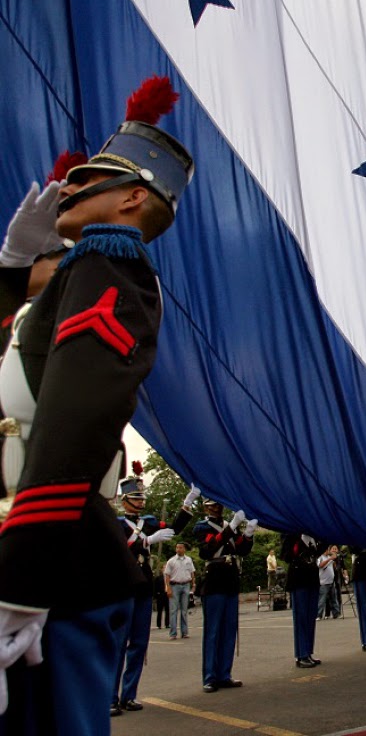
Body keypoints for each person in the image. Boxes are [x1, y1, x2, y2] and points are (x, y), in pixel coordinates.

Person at [0, 78, 193, 735]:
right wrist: (10, 267)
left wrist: (22, 579)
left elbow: (78, 413)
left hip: (54, 566)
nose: (66, 188)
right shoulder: (76, 276)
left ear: (132, 196)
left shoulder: (108, 264)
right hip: (45, 560)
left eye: (85, 179)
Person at [111, 468, 199, 716]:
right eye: (136, 498)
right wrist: (147, 541)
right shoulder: (117, 522)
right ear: (124, 499)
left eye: (142, 498)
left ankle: (129, 694)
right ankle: (110, 697)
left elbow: (172, 529)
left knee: (139, 642)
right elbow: (120, 545)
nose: (140, 502)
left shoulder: (147, 521)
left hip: (142, 582)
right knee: (119, 643)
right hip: (122, 583)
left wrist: (186, 504)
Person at [194, 499, 255, 692]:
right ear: (205, 507)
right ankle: (210, 676)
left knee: (230, 629)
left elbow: (241, 550)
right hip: (214, 578)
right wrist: (232, 527)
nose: (216, 508)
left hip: (230, 579)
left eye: (218, 504)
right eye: (212, 505)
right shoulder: (201, 526)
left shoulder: (230, 525)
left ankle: (224, 674)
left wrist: (248, 534)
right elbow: (207, 550)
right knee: (213, 631)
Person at [282, 533, 326, 667]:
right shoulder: (290, 532)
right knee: (301, 617)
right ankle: (301, 655)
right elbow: (286, 555)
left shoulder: (313, 534)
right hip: (298, 578)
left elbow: (318, 552)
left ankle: (308, 652)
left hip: (312, 577)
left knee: (310, 617)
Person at [164, 541, 196, 641]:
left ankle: (185, 632)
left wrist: (193, 584)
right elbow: (167, 575)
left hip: (186, 584)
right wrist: (168, 588)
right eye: (177, 547)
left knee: (184, 610)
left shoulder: (189, 560)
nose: (178, 549)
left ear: (184, 549)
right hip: (174, 585)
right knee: (173, 610)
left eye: (181, 547)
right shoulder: (171, 561)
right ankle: (173, 633)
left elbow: (192, 573)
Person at [317, 545, 341, 619]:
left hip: (331, 581)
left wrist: (334, 561)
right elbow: (320, 565)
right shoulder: (320, 558)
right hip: (323, 582)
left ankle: (336, 613)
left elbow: (334, 567)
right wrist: (330, 559)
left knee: (334, 599)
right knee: (322, 600)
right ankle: (319, 614)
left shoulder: (328, 557)